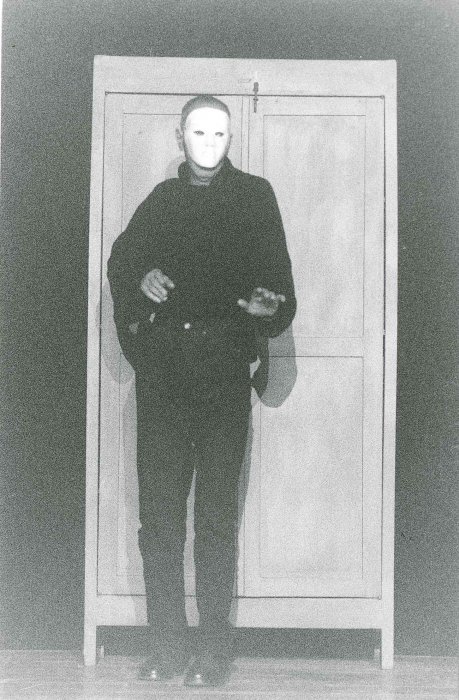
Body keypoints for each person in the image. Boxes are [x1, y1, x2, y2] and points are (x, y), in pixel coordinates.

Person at [107, 95, 296, 687]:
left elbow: (281, 289)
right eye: (197, 132)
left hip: (222, 377)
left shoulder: (255, 196)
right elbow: (121, 261)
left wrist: (267, 308)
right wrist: (140, 279)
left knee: (215, 521)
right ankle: (166, 646)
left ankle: (213, 651)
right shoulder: (162, 200)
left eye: (219, 133)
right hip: (164, 378)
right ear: (179, 137)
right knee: (160, 521)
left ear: (230, 139)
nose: (208, 144)